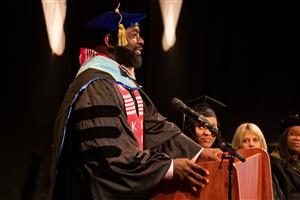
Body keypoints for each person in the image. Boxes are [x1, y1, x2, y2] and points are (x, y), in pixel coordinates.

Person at [47, 5, 220, 200]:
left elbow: (155, 128)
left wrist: (199, 153)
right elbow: (111, 157)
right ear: (111, 41)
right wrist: (170, 167)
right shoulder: (96, 87)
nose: (141, 41)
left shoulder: (122, 83)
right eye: (133, 35)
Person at [270, 114, 300, 200]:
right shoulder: (275, 163)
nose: (297, 138)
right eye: (292, 134)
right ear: (284, 137)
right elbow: (289, 194)